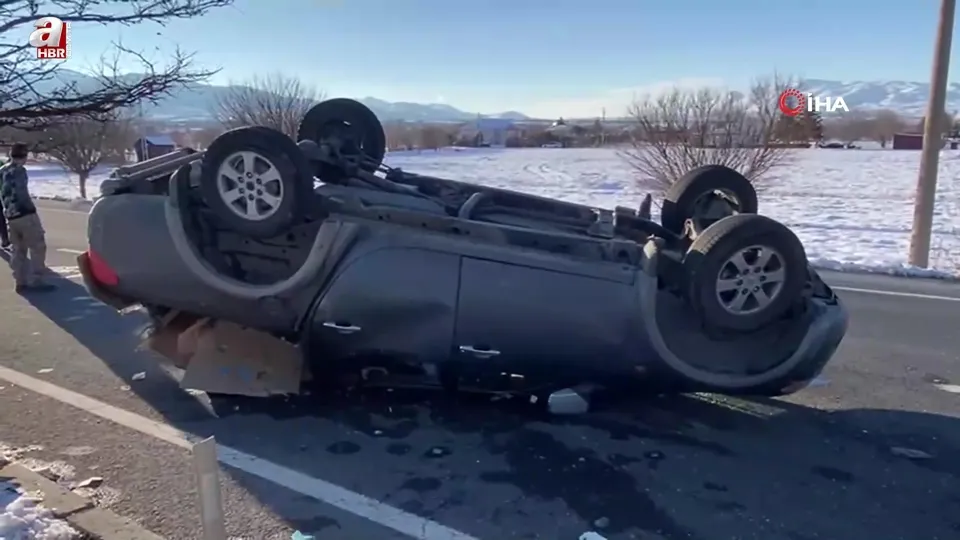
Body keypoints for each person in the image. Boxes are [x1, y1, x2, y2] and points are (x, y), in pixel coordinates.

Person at [0, 144, 54, 292]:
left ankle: (20, 280)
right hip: (24, 213)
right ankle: (37, 279)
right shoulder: (19, 171)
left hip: (10, 215)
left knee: (18, 248)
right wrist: (29, 208)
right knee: (37, 245)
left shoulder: (2, 170)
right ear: (24, 155)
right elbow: (20, 191)